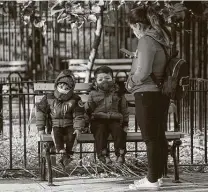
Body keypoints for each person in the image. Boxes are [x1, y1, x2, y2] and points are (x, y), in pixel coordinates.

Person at [126, 4, 171, 190]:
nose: (133, 32)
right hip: (160, 93)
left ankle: (152, 180)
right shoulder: (162, 38)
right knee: (159, 136)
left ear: (138, 25)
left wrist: (129, 83)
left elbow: (143, 72)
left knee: (150, 137)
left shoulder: (146, 40)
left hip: (146, 92)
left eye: (132, 28)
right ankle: (157, 176)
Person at [36, 69, 85, 168]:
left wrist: (78, 128)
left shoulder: (75, 99)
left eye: (67, 87)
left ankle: (67, 155)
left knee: (73, 135)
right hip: (54, 125)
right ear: (56, 85)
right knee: (56, 133)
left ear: (71, 88)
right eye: (61, 86)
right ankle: (62, 152)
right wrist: (41, 128)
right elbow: (40, 112)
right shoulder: (49, 98)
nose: (63, 88)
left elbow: (79, 115)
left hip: (70, 125)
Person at [85, 66, 129, 164]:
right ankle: (103, 155)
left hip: (114, 119)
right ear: (96, 82)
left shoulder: (118, 93)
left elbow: (124, 109)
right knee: (100, 131)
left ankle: (120, 154)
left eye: (107, 78)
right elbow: (88, 110)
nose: (104, 81)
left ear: (113, 80)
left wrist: (125, 123)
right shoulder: (93, 93)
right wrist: (85, 124)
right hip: (98, 119)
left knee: (119, 130)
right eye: (100, 79)